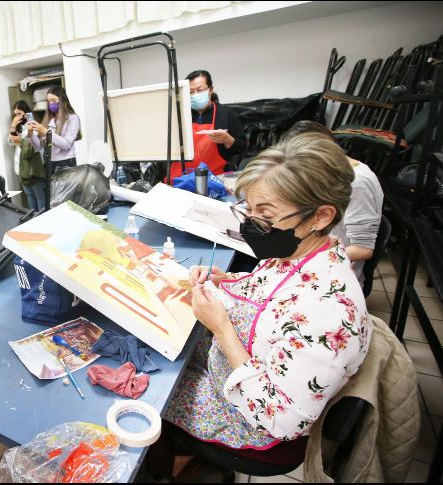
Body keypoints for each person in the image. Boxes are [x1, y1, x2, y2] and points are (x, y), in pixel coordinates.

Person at [157, 134, 372, 479]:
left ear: (321, 216)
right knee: (164, 364)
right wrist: (225, 280)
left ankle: (174, 463)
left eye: (265, 216)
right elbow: (271, 291)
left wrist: (222, 329)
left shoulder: (327, 311)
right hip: (231, 376)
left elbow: (281, 420)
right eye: (249, 209)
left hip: (259, 427)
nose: (250, 224)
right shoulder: (303, 251)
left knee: (153, 396)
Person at [282, 120, 384, 287]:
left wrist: (305, 259)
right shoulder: (335, 171)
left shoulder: (356, 183)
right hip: (316, 251)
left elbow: (362, 249)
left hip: (333, 273)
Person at [171, 70, 245, 180]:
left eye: (200, 90)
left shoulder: (225, 113)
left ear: (210, 90)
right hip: (181, 177)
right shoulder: (179, 114)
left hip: (214, 177)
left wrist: (228, 140)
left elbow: (241, 147)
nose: (195, 95)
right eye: (191, 92)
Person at [28, 86, 82, 173]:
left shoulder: (73, 118)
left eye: (54, 100)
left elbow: (66, 144)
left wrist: (46, 132)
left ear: (62, 100)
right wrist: (31, 135)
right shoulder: (48, 120)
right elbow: (39, 146)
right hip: (49, 163)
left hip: (66, 163)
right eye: (49, 101)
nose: (51, 103)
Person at [8, 100, 46, 211]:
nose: (17, 117)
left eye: (19, 113)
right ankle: (33, 217)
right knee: (29, 194)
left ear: (26, 112)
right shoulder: (17, 126)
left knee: (39, 195)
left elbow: (35, 145)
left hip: (32, 166)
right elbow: (10, 142)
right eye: (15, 114)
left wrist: (21, 140)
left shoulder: (32, 124)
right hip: (21, 167)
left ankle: (42, 218)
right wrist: (13, 126)